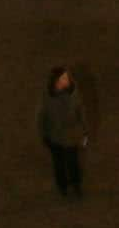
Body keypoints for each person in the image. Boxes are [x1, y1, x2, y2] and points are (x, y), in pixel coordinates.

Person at [38, 67, 90, 199]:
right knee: (59, 164)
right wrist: (44, 134)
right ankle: (63, 187)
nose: (67, 80)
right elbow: (42, 116)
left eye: (67, 77)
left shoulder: (73, 93)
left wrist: (84, 131)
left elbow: (81, 111)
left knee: (73, 163)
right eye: (63, 78)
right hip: (55, 137)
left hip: (71, 136)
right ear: (56, 82)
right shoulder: (48, 97)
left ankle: (76, 185)